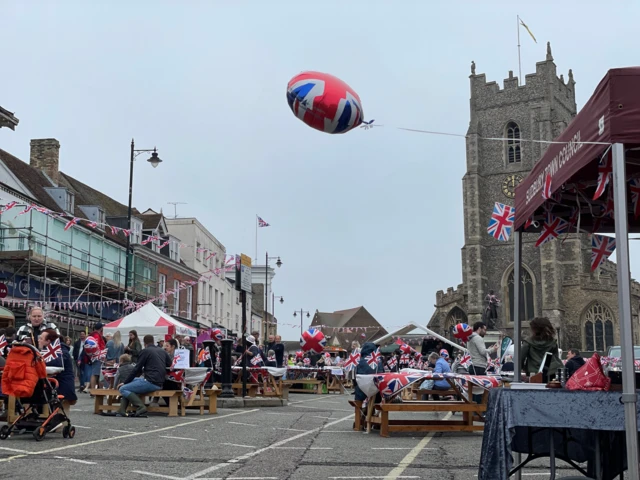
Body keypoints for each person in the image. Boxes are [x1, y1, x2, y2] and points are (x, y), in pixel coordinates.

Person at [117, 334, 172, 417]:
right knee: (130, 383)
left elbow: (137, 369)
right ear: (153, 341)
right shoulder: (162, 351)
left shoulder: (145, 351)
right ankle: (122, 410)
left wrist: (125, 382)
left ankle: (141, 407)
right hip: (160, 382)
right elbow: (170, 364)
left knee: (123, 388)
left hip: (150, 381)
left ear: (144, 343)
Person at [38, 328, 77, 414]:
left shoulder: (61, 352)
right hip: (55, 387)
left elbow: (53, 367)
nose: (38, 340)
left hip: (63, 388)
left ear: (48, 341)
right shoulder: (49, 351)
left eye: (41, 338)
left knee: (60, 416)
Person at [520, 317, 563, 382]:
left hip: (533, 373)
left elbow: (521, 359)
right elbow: (556, 358)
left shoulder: (528, 342)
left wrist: (522, 368)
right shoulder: (552, 342)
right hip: (550, 372)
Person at [87, 323, 106, 392]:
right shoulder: (96, 335)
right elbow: (96, 345)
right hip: (97, 356)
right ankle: (93, 390)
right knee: (95, 373)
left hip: (96, 356)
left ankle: (96, 389)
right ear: (101, 328)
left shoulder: (94, 334)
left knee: (96, 373)